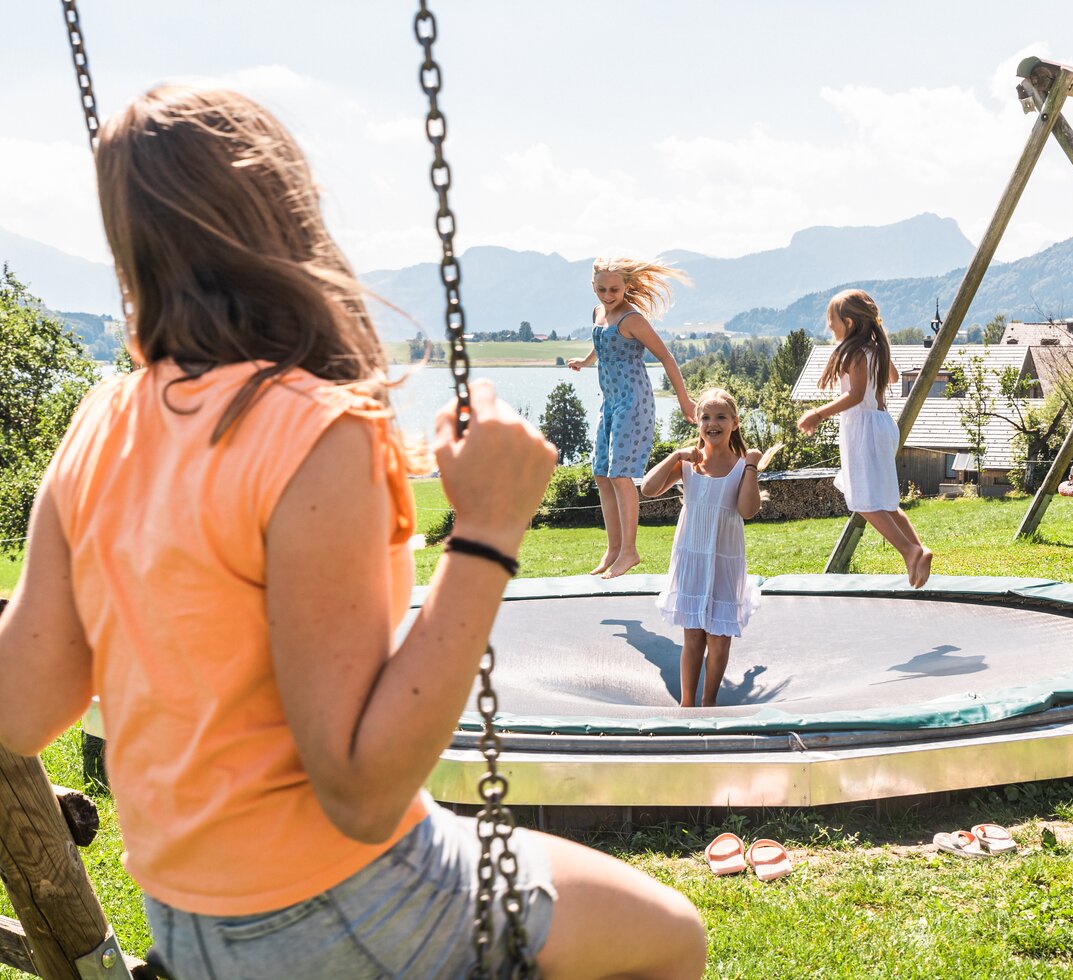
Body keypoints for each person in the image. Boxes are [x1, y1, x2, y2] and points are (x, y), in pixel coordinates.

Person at [0, 86, 706, 980]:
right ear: (289, 218)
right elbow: (361, 791)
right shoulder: (314, 430)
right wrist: (487, 532)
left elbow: (21, 706)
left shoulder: (103, 418)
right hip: (339, 902)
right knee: (669, 939)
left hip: (185, 914)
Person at [567, 259, 695, 579]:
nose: (608, 295)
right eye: (602, 289)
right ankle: (613, 547)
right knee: (601, 473)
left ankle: (629, 551)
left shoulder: (632, 319)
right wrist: (583, 362)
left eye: (614, 289)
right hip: (610, 403)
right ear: (592, 287)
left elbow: (666, 357)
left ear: (626, 287)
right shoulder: (599, 314)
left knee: (620, 474)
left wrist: (684, 401)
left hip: (634, 403)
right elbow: (601, 344)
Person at [798, 288, 932, 588]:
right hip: (883, 425)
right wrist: (877, 335)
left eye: (831, 319)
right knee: (883, 499)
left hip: (863, 429)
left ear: (848, 322)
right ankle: (919, 549)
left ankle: (909, 550)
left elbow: (855, 395)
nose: (828, 325)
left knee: (863, 500)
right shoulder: (875, 348)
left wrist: (818, 414)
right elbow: (893, 378)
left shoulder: (854, 352)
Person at [642, 388, 762, 707]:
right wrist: (675, 456)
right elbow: (648, 488)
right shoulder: (688, 466)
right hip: (692, 559)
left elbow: (748, 510)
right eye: (705, 417)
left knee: (719, 641)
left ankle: (708, 703)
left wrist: (751, 466)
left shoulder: (740, 467)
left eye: (721, 417)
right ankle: (686, 704)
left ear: (734, 423)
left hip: (724, 562)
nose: (713, 423)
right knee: (693, 637)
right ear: (697, 424)